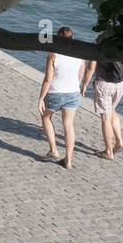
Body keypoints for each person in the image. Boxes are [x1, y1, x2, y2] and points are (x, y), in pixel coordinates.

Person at [36, 26, 85, 167]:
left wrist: (41, 98)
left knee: (46, 117)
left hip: (55, 92)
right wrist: (75, 87)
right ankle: (68, 159)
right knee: (68, 125)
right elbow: (80, 75)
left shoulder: (54, 55)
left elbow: (48, 79)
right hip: (72, 92)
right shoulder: (80, 54)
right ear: (73, 38)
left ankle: (53, 151)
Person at [81, 56, 123, 160]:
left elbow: (91, 67)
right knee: (112, 110)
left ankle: (108, 151)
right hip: (121, 84)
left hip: (104, 85)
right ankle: (119, 142)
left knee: (106, 119)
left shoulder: (99, 44)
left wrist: (85, 84)